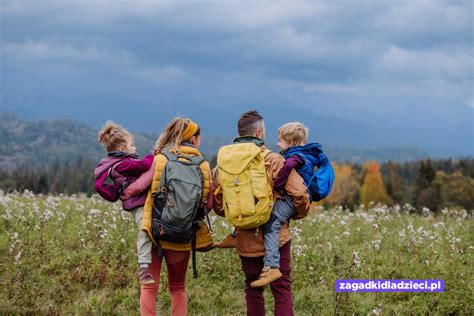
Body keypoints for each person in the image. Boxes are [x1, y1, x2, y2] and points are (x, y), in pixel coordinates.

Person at [213, 110, 311, 316]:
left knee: (253, 288)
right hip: (277, 236)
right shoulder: (273, 159)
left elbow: (219, 204)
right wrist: (292, 214)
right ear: (259, 133)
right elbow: (300, 193)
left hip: (245, 236)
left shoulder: (226, 162)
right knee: (282, 289)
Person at [122, 118, 214, 316]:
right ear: (194, 139)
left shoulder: (161, 159)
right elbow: (207, 205)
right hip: (182, 235)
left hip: (155, 232)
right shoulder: (203, 166)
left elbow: (144, 187)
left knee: (149, 288)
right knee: (178, 287)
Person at [251, 121, 333, 287]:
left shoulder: (296, 156)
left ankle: (272, 266)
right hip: (296, 197)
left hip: (291, 198)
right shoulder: (306, 153)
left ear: (290, 143)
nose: (277, 143)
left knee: (271, 222)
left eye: (280, 141)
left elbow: (287, 167)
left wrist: (279, 187)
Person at [93, 120, 154, 285]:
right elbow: (144, 165)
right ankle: (143, 267)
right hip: (138, 203)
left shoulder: (117, 164)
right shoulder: (124, 164)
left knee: (148, 228)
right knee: (145, 230)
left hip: (137, 202)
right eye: (132, 144)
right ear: (122, 148)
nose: (135, 147)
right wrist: (155, 156)